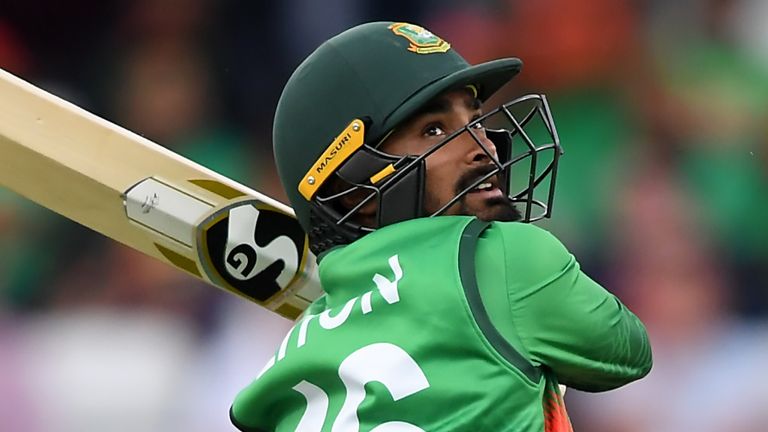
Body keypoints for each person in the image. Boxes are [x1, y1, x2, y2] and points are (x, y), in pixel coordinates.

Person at [230, 21, 652, 432]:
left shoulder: (288, 362)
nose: (485, 147)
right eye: (434, 130)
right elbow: (628, 351)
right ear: (352, 192)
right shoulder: (504, 258)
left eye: (478, 120)